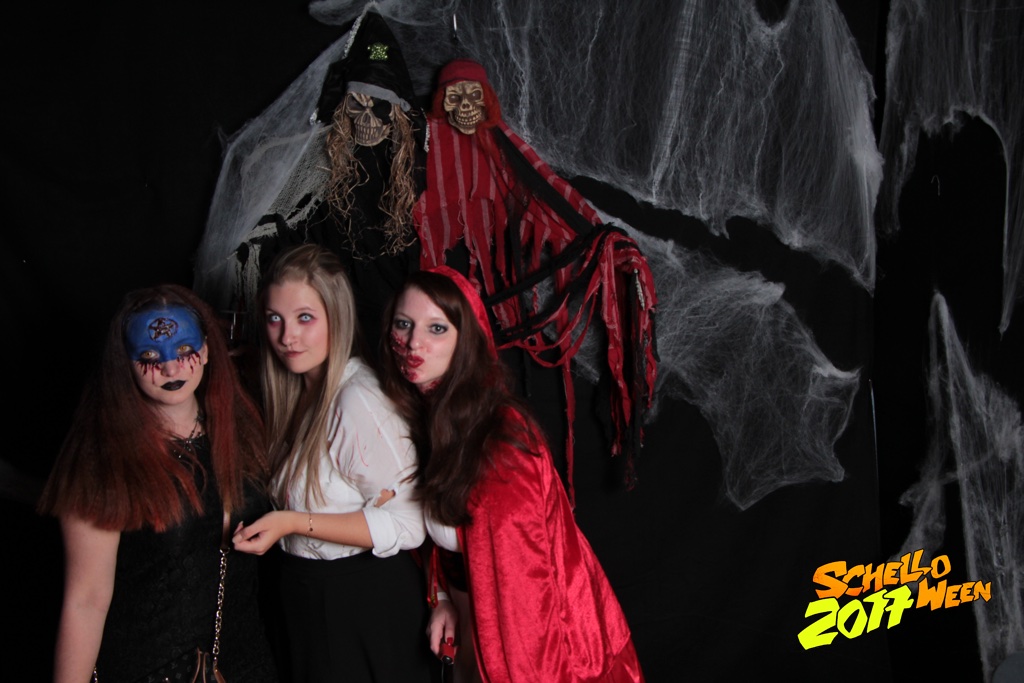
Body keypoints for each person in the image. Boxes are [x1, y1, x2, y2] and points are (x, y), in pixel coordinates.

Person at [380, 267, 646, 682]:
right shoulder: (429, 418)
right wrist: (442, 597)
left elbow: (528, 603)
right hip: (478, 633)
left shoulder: (499, 442)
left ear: (466, 341)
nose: (414, 343)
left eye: (436, 328)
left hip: (540, 654)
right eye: (403, 324)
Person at [38, 284, 276, 683]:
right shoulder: (103, 460)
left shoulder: (241, 429)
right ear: (126, 364)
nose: (170, 368)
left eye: (183, 350)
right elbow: (86, 601)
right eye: (150, 357)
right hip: (147, 669)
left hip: (242, 662)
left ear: (205, 350)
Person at [231, 243, 435, 683]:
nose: (288, 336)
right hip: (305, 596)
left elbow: (409, 524)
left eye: (305, 318)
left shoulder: (357, 397)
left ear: (336, 317)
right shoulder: (295, 392)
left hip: (360, 603)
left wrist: (291, 523)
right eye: (274, 318)